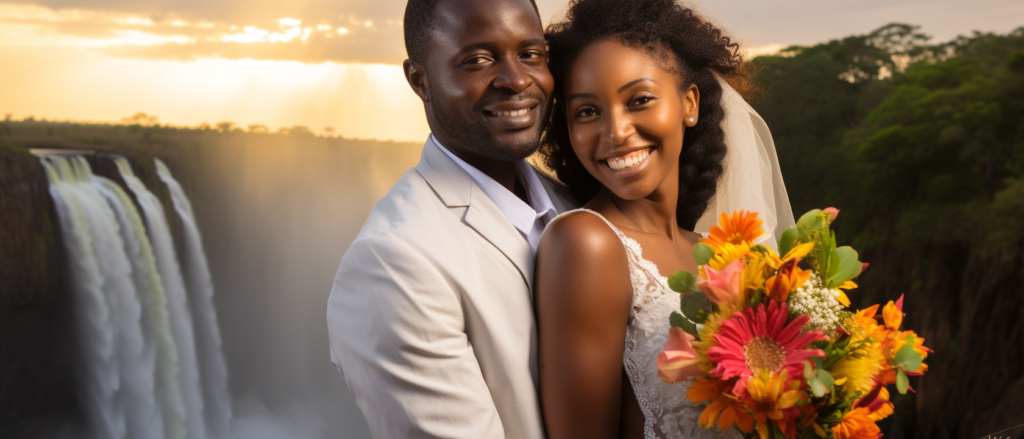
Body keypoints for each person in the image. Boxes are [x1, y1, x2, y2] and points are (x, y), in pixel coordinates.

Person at [534, 0, 794, 438]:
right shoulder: (586, 243)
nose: (615, 131)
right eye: (587, 111)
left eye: (639, 100)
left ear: (689, 103)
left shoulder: (721, 258)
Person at [326, 0, 576, 437]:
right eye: (477, 60)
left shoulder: (580, 203)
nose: (517, 79)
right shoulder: (391, 263)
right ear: (419, 80)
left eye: (531, 54)